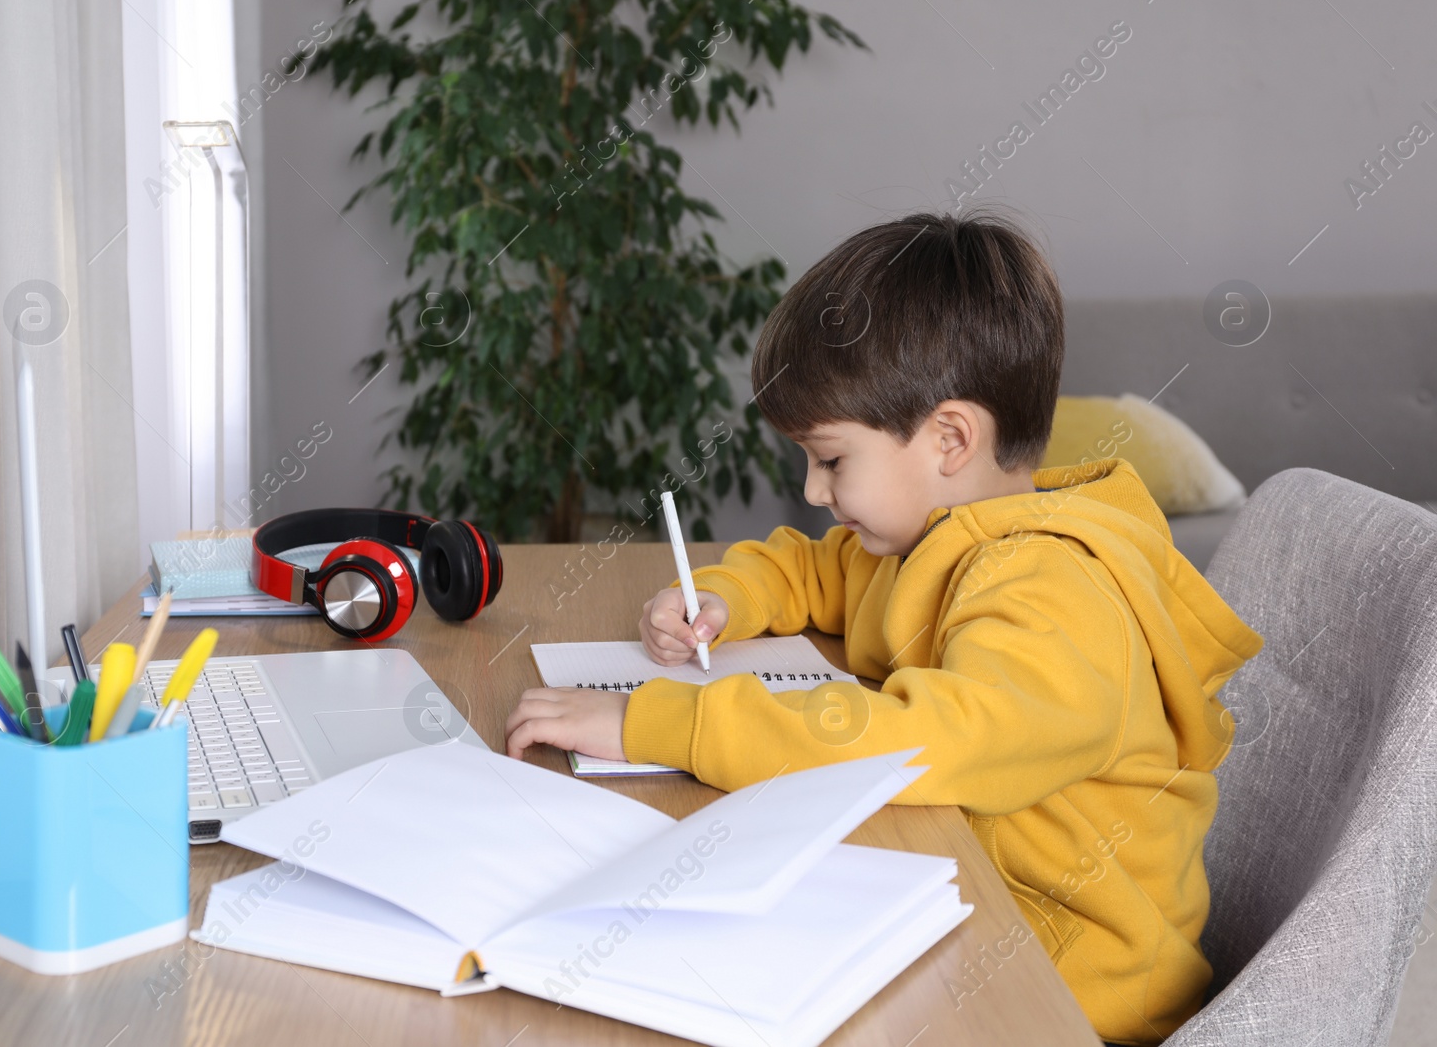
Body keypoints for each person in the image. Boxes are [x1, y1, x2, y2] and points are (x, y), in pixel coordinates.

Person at [504, 208, 1263, 1046]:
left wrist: (650, 720)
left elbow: (927, 738)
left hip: (1069, 993)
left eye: (831, 459)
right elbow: (813, 565)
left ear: (948, 438)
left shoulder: (1053, 590)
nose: (815, 490)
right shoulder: (923, 534)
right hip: (966, 906)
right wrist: (724, 600)